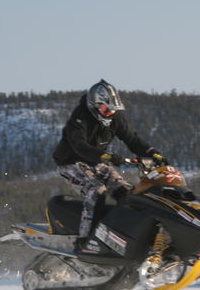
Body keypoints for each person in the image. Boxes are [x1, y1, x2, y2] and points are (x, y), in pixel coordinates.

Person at [52, 79, 167, 252]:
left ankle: (124, 236)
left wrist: (152, 153)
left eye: (113, 109)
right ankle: (84, 240)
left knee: (127, 193)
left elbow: (132, 139)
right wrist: (105, 156)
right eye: (106, 109)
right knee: (96, 191)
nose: (110, 113)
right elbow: (79, 146)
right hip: (72, 162)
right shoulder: (79, 118)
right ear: (95, 105)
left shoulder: (115, 118)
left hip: (96, 161)